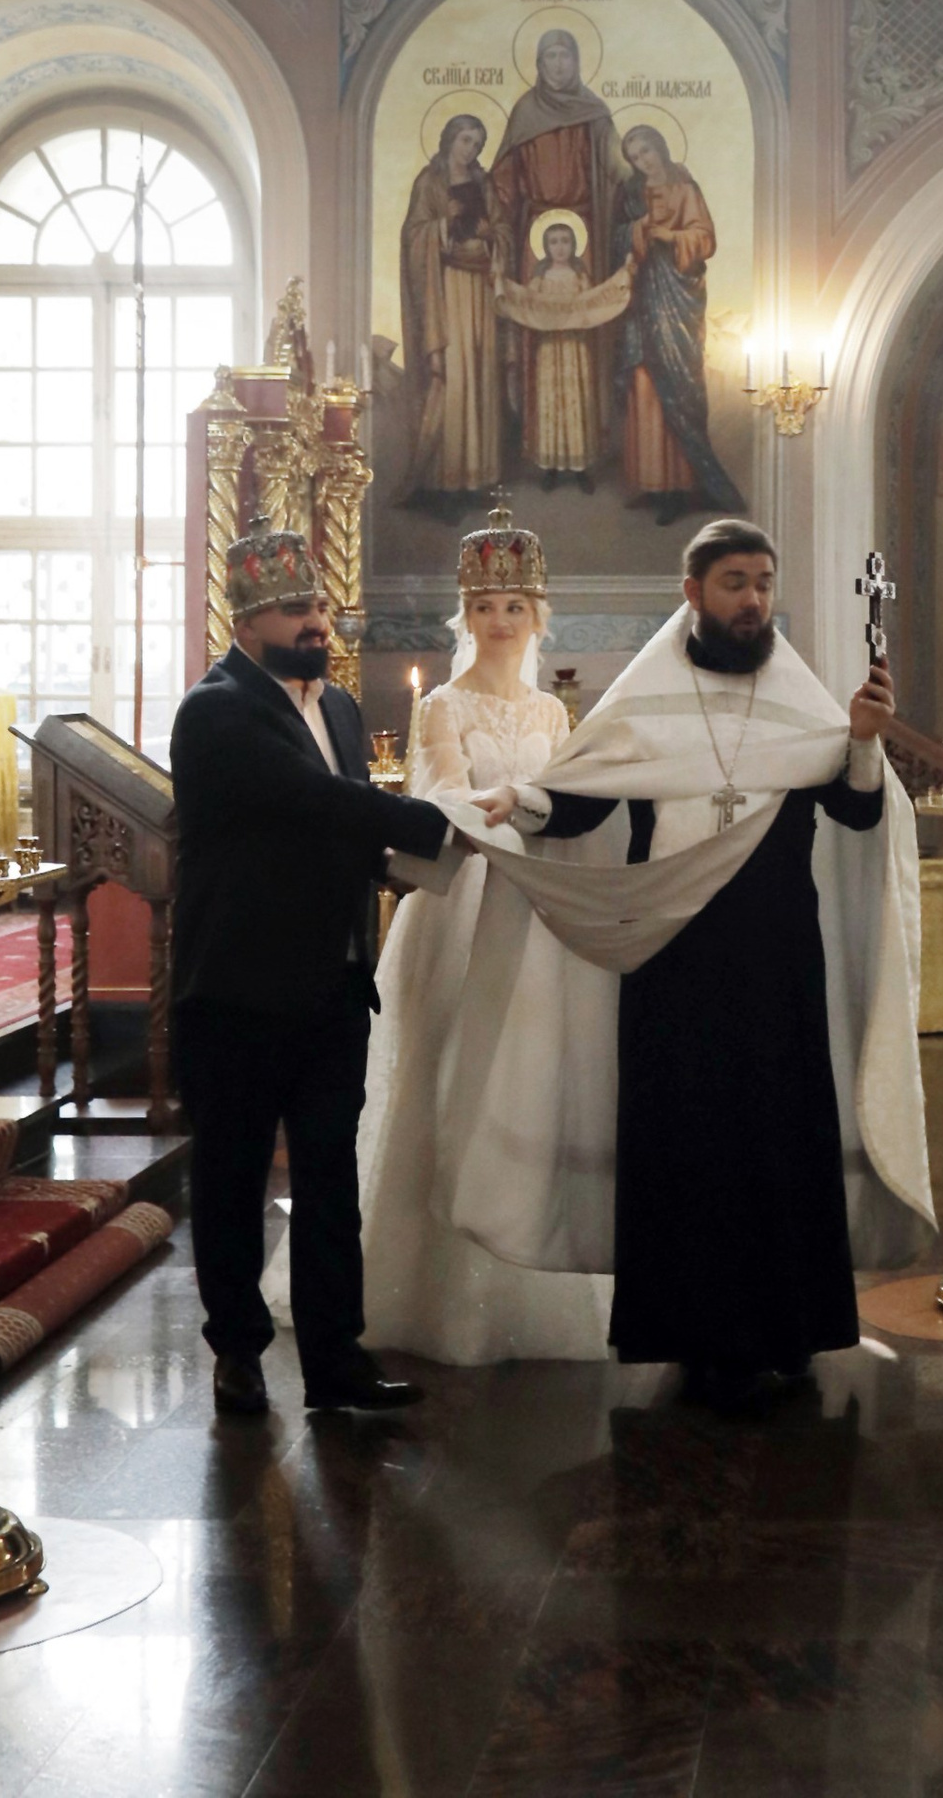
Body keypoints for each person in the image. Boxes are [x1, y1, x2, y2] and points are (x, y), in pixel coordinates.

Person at [444, 518, 930, 1416]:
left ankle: (788, 1330)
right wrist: (519, 799)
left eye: (764, 583)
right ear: (693, 594)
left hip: (778, 961)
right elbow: (580, 804)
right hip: (671, 958)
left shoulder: (802, 703)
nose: (753, 600)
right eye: (736, 582)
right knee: (684, 1149)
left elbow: (859, 816)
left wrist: (861, 740)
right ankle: (691, 1335)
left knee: (780, 1146)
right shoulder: (641, 707)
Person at [168, 531, 451, 1421]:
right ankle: (239, 1354)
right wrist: (434, 825)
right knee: (232, 1178)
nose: (318, 625)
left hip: (332, 987)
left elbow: (343, 834)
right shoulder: (216, 711)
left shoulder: (338, 711)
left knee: (331, 1179)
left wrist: (406, 866)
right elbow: (314, 801)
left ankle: (336, 1360)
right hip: (240, 990)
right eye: (298, 611)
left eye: (323, 609)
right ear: (248, 621)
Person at [356, 522, 613, 1362]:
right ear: (464, 615)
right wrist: (518, 811)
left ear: (539, 616)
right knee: (453, 1070)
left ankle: (535, 1263)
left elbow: (571, 802)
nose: (499, 619)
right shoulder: (443, 704)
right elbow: (442, 804)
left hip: (536, 906)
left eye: (512, 604)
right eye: (482, 605)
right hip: (464, 905)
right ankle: (433, 1290)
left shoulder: (551, 709)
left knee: (532, 1069)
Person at [492, 27, 626, 475]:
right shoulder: (524, 112)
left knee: (588, 334)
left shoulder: (595, 113)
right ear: (537, 63)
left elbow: (616, 168)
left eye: (564, 57)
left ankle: (585, 448)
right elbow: (505, 183)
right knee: (536, 340)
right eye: (549, 57)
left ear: (577, 62)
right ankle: (542, 447)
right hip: (536, 234)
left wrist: (643, 181)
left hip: (587, 229)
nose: (557, 65)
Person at [610, 126, 744, 516]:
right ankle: (652, 483)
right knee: (644, 381)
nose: (643, 161)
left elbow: (705, 238)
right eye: (635, 156)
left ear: (661, 148)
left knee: (680, 385)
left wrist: (671, 236)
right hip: (641, 296)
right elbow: (616, 240)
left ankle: (680, 487)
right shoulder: (631, 195)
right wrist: (637, 231)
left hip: (678, 295)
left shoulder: (685, 188)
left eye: (647, 151)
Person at [395, 111, 506, 507]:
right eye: (465, 140)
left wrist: (489, 236)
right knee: (455, 375)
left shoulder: (483, 182)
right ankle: (446, 480)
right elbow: (413, 235)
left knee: (480, 371)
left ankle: (478, 479)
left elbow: (502, 227)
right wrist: (443, 227)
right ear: (448, 140)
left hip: (479, 289)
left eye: (477, 143)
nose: (471, 149)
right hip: (445, 292)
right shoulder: (430, 182)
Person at [494, 217, 631, 485]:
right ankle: (552, 466)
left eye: (565, 241)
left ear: (574, 245)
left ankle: (580, 468)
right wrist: (500, 280)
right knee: (551, 400)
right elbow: (525, 302)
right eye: (554, 241)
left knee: (576, 398)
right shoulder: (539, 279)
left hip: (576, 350)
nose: (560, 247)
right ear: (545, 246)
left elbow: (597, 302)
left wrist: (623, 275)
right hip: (548, 351)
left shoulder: (581, 279)